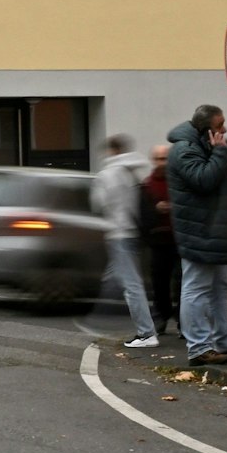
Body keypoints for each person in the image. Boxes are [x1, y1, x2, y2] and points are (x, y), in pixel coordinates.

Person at [168, 104, 227, 366]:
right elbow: (203, 180)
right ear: (206, 129)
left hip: (212, 230)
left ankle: (225, 341)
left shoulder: (201, 146)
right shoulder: (185, 150)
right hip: (199, 231)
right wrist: (219, 152)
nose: (225, 129)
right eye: (220, 125)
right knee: (195, 288)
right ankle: (198, 348)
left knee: (218, 288)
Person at [92, 133, 158, 349]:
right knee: (115, 277)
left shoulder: (107, 175)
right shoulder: (132, 171)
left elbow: (100, 204)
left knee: (131, 284)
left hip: (117, 233)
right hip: (133, 232)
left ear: (111, 150)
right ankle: (97, 317)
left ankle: (147, 333)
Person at [139, 142, 180, 337]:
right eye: (158, 158)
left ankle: (183, 320)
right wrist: (156, 209)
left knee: (181, 283)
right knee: (159, 283)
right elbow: (141, 215)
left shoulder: (178, 182)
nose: (162, 162)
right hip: (157, 241)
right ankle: (161, 317)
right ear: (153, 160)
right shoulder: (147, 185)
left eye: (165, 158)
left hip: (178, 240)